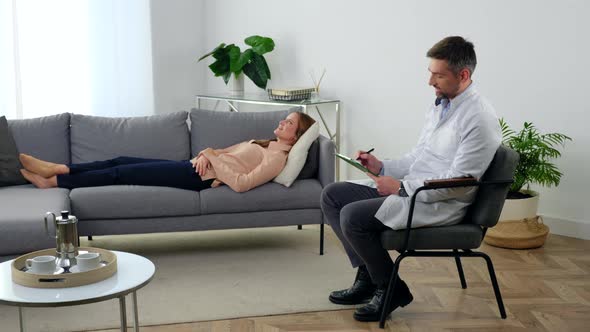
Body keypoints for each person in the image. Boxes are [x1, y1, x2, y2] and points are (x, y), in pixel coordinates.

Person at [321, 36, 502, 322]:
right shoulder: (442, 105)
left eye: (439, 74)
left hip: (439, 203)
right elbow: (419, 157)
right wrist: (382, 167)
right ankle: (368, 277)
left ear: (464, 75)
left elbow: (462, 182)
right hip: (414, 191)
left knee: (353, 217)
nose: (431, 81)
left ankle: (388, 289)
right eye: (430, 72)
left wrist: (402, 188)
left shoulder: (478, 118)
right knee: (332, 195)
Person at [19, 112, 315, 193]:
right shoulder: (265, 143)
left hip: (196, 178)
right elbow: (221, 153)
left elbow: (242, 183)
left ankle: (53, 182)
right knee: (121, 160)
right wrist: (205, 154)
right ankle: (60, 169)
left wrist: (210, 160)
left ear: (297, 135)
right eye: (284, 119)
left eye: (288, 122)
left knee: (122, 174)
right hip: (196, 165)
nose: (281, 122)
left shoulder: (277, 158)